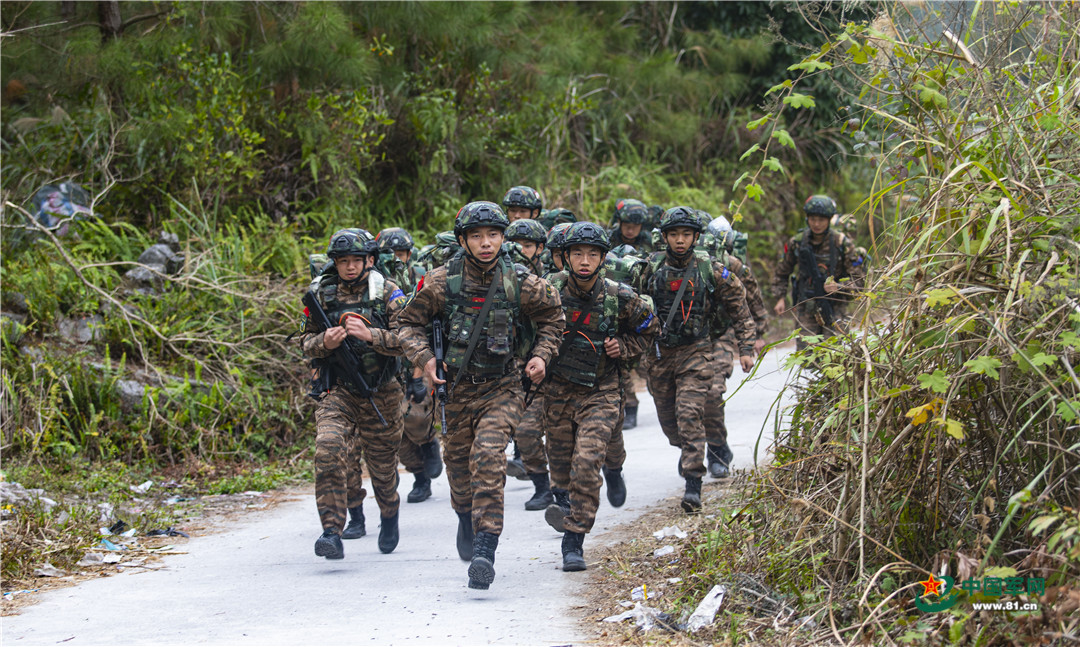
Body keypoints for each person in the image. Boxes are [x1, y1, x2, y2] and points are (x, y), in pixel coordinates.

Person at [394, 201, 565, 590]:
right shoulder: (440, 282)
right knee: (458, 469)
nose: (485, 243)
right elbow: (406, 324)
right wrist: (424, 360)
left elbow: (554, 317)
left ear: (503, 237)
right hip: (453, 391)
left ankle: (486, 548)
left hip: (502, 386)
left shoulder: (520, 280)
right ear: (463, 241)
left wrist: (541, 355)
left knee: (488, 456)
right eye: (476, 236)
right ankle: (464, 516)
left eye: (493, 235)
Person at [539, 222, 657, 571]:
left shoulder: (619, 295)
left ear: (603, 258)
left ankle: (573, 540)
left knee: (587, 463)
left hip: (601, 390)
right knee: (560, 470)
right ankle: (580, 495)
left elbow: (651, 328)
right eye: (577, 254)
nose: (585, 260)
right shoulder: (548, 290)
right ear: (565, 257)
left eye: (592, 254)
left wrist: (625, 346)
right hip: (558, 390)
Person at [636, 207, 756, 513]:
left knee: (689, 411)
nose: (680, 240)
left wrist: (746, 347)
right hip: (660, 355)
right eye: (674, 234)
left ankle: (693, 483)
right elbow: (627, 304)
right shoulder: (649, 268)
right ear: (664, 237)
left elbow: (739, 305)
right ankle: (689, 449)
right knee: (670, 422)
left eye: (686, 235)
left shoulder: (710, 268)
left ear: (696, 237)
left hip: (696, 351)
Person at [300, 228, 408, 559]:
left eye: (356, 261)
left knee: (382, 467)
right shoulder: (321, 294)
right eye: (342, 261)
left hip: (381, 390)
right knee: (329, 449)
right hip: (338, 390)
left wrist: (373, 336)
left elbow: (408, 339)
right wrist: (324, 343)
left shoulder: (387, 292)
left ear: (370, 260)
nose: (349, 267)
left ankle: (389, 514)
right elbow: (305, 343)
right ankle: (332, 530)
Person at [376, 227, 442, 503]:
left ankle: (429, 444)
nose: (397, 258)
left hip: (417, 356)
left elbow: (423, 324)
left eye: (402, 253)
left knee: (415, 417)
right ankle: (419, 476)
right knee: (395, 431)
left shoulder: (420, 277)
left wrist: (417, 372)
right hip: (384, 361)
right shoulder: (375, 283)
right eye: (391, 253)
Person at [701, 215, 768, 478]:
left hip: (722, 335)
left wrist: (751, 342)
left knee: (712, 392)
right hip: (689, 339)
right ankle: (693, 450)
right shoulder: (684, 263)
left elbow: (752, 300)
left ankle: (716, 451)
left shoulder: (734, 266)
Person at [503, 217, 554, 509]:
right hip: (516, 369)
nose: (522, 249)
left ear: (540, 248)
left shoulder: (553, 276)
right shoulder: (503, 277)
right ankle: (541, 485)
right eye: (517, 244)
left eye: (529, 244)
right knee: (525, 431)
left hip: (554, 367)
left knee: (563, 436)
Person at [770, 195, 865, 350]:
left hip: (835, 307)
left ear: (829, 220)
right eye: (813, 219)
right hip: (806, 306)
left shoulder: (841, 243)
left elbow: (859, 281)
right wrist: (780, 297)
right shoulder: (798, 242)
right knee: (807, 356)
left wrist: (839, 287)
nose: (816, 224)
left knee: (835, 356)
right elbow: (782, 271)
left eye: (821, 220)